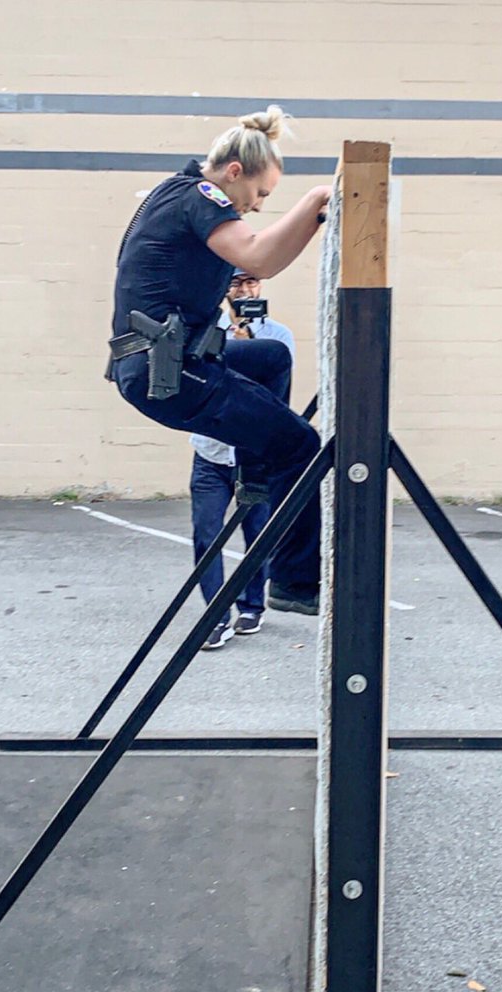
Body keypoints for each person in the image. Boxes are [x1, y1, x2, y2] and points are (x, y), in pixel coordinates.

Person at [106, 106, 329, 617]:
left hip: (169, 360)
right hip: (170, 375)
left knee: (271, 357)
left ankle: (254, 469)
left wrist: (311, 219)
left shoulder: (176, 190)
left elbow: (260, 257)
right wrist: (316, 200)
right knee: (301, 443)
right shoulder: (201, 198)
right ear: (234, 173)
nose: (256, 206)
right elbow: (259, 258)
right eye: (260, 195)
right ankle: (295, 583)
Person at [191, 270, 298, 650]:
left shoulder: (278, 337)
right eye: (237, 283)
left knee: (258, 533)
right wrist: (230, 342)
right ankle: (215, 617)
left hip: (255, 455)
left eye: (252, 282)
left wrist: (249, 345)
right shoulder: (206, 330)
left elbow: (277, 396)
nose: (244, 290)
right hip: (211, 452)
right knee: (207, 533)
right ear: (224, 288)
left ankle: (252, 604)